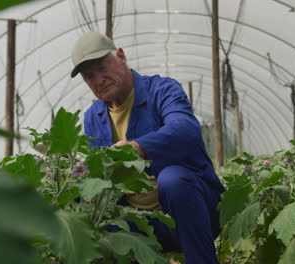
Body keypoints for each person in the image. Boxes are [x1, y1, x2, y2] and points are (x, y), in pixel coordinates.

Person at [70, 32, 225, 263]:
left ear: (121, 56)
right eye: (89, 76)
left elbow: (186, 129)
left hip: (192, 214)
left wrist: (138, 148)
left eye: (102, 67)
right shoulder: (93, 117)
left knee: (173, 180)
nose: (98, 79)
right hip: (140, 225)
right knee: (82, 212)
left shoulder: (162, 90)